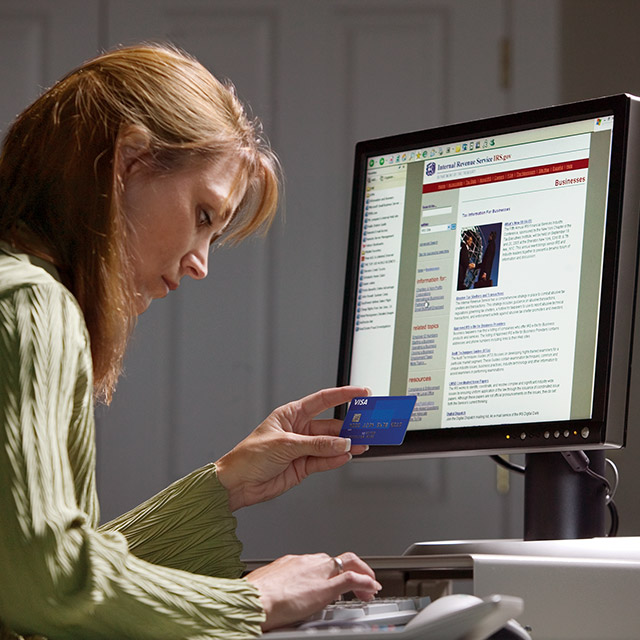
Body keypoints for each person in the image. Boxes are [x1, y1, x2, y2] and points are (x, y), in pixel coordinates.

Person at [0, 44, 381, 640]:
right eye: (204, 215)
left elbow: (23, 569)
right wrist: (253, 601)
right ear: (127, 163)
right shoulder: (31, 304)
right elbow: (45, 584)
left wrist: (225, 482)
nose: (201, 264)